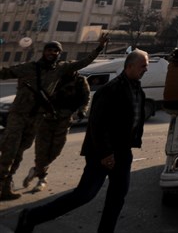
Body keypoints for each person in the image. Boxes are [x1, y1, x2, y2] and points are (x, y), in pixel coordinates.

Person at [16, 50, 149, 233]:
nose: (146, 69)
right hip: (101, 153)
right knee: (84, 195)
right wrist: (105, 153)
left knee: (117, 197)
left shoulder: (137, 90)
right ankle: (32, 216)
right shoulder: (110, 90)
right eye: (143, 65)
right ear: (130, 66)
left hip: (123, 152)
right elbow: (97, 123)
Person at [0, 33, 109, 201]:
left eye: (56, 51)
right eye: (50, 50)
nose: (52, 53)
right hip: (19, 115)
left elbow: (83, 62)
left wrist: (99, 47)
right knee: (9, 152)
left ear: (59, 54)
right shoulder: (28, 68)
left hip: (36, 118)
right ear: (44, 52)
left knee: (19, 152)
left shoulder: (59, 69)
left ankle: (5, 187)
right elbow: (5, 73)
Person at [23, 70, 92, 193]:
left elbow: (85, 98)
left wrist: (82, 110)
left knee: (55, 150)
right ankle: (41, 178)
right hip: (46, 119)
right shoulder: (52, 78)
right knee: (41, 150)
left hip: (64, 120)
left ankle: (36, 170)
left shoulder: (80, 81)